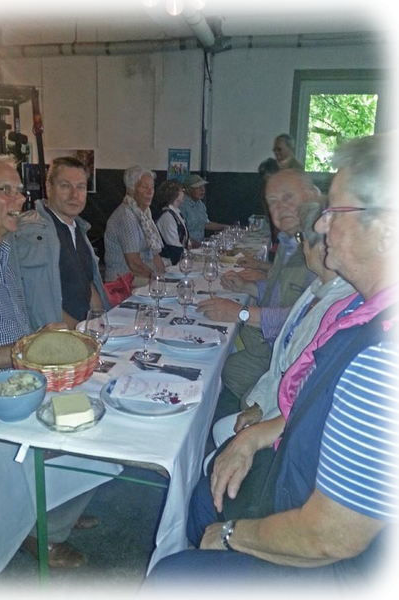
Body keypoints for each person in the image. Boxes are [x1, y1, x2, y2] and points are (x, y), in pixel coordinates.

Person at [136, 130, 399, 600]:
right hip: (300, 489)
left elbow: (331, 537)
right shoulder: (367, 314)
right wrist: (255, 436)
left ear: (388, 230)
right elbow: (313, 404)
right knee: (208, 496)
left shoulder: (385, 357)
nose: (320, 225)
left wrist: (232, 536)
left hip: (346, 574)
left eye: (335, 212)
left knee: (170, 579)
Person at [0, 154, 101, 569]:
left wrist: (40, 343)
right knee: (84, 438)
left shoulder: (2, 251)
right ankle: (43, 531)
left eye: (20, 191)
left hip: (18, 386)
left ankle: (57, 504)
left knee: (97, 416)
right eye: (7, 191)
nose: (20, 199)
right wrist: (22, 351)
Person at [212, 200, 354, 447]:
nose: (301, 245)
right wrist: (259, 406)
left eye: (303, 238)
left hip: (298, 422)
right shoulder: (316, 288)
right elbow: (283, 362)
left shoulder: (340, 303)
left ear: (324, 247)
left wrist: (267, 421)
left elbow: (305, 382)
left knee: (223, 429)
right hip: (280, 399)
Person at [197, 169, 319, 400]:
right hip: (272, 348)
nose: (280, 207)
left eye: (288, 197)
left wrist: (241, 313)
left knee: (214, 364)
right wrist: (246, 287)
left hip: (297, 360)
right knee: (216, 366)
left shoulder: (322, 250)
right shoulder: (289, 241)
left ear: (313, 194)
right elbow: (279, 292)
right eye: (273, 202)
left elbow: (307, 318)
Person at [9, 156, 110, 332]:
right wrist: (80, 332)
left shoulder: (78, 228)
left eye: (81, 187)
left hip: (83, 333)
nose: (74, 195)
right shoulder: (32, 232)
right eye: (65, 186)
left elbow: (88, 284)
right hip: (57, 339)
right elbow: (39, 304)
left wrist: (103, 324)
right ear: (49, 188)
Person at [104, 166, 165, 282]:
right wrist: (157, 281)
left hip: (141, 275)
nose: (150, 191)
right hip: (124, 280)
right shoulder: (126, 216)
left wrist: (164, 277)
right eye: (144, 187)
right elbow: (134, 264)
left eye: (152, 187)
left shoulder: (144, 214)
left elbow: (155, 255)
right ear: (131, 190)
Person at [180, 174, 227, 247]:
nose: (202, 190)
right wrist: (201, 246)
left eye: (203, 186)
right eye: (198, 187)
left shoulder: (200, 204)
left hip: (200, 245)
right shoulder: (182, 205)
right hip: (187, 247)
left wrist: (226, 227)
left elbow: (206, 224)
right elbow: (181, 234)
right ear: (188, 190)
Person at [154, 179, 189, 265]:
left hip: (177, 260)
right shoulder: (167, 216)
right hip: (168, 263)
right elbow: (174, 245)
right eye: (182, 190)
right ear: (175, 194)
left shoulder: (176, 212)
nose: (184, 192)